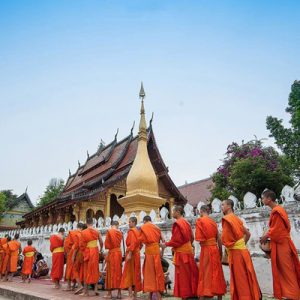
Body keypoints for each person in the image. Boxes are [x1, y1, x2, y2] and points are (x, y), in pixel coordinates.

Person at [260, 189, 300, 300]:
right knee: (283, 271)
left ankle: (293, 295)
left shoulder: (277, 211)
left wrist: (266, 235)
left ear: (269, 199)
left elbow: (279, 231)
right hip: (282, 244)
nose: (262, 200)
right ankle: (289, 294)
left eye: (263, 198)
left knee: (287, 271)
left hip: (282, 245)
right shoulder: (277, 210)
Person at [221, 199, 261, 300]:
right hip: (243, 251)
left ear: (229, 206)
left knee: (240, 279)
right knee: (247, 275)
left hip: (236, 254)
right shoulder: (237, 219)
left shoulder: (227, 219)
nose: (221, 207)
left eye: (223, 205)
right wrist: (241, 244)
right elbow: (248, 234)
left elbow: (225, 240)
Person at [161, 205, 198, 299]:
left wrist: (166, 244)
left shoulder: (178, 223)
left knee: (183, 275)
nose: (172, 213)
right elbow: (191, 237)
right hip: (188, 251)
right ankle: (193, 292)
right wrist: (188, 246)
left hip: (182, 253)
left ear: (178, 212)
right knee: (190, 273)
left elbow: (177, 240)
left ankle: (186, 294)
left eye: (173, 211)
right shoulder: (186, 223)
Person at [195, 205, 226, 300]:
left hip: (206, 249)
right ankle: (219, 296)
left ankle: (204, 295)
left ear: (201, 211)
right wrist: (220, 252)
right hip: (215, 249)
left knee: (205, 273)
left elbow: (200, 238)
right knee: (217, 272)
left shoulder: (200, 221)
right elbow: (219, 239)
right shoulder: (213, 222)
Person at [139, 215, 165, 300]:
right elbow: (163, 240)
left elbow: (141, 241)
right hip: (156, 251)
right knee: (157, 273)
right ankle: (154, 296)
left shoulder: (144, 227)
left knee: (150, 275)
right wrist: (162, 252)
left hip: (150, 253)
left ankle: (155, 296)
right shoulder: (157, 228)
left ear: (144, 221)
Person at [80, 217, 103, 296]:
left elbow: (81, 245)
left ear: (86, 223)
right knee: (95, 269)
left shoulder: (83, 232)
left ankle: (86, 292)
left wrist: (84, 251)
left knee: (86, 270)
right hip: (95, 250)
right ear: (93, 223)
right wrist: (100, 249)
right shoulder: (97, 231)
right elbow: (101, 241)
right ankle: (96, 289)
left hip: (88, 252)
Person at [120, 216, 142, 299]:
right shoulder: (138, 231)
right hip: (136, 254)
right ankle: (135, 296)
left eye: (129, 222)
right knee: (136, 274)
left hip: (131, 254)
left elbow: (132, 243)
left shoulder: (132, 232)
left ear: (133, 222)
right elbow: (141, 244)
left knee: (129, 274)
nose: (128, 223)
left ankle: (130, 295)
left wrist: (129, 254)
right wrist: (137, 250)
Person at [104, 220, 123, 299]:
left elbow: (107, 245)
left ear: (111, 225)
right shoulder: (120, 233)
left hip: (112, 253)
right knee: (118, 272)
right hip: (118, 253)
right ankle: (119, 293)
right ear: (117, 225)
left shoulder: (109, 231)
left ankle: (109, 294)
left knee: (110, 272)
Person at [71, 222, 85, 294]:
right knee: (82, 270)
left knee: (75, 270)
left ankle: (80, 286)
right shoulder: (85, 234)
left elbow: (76, 247)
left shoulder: (78, 235)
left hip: (79, 254)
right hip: (85, 254)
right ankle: (83, 287)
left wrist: (73, 256)